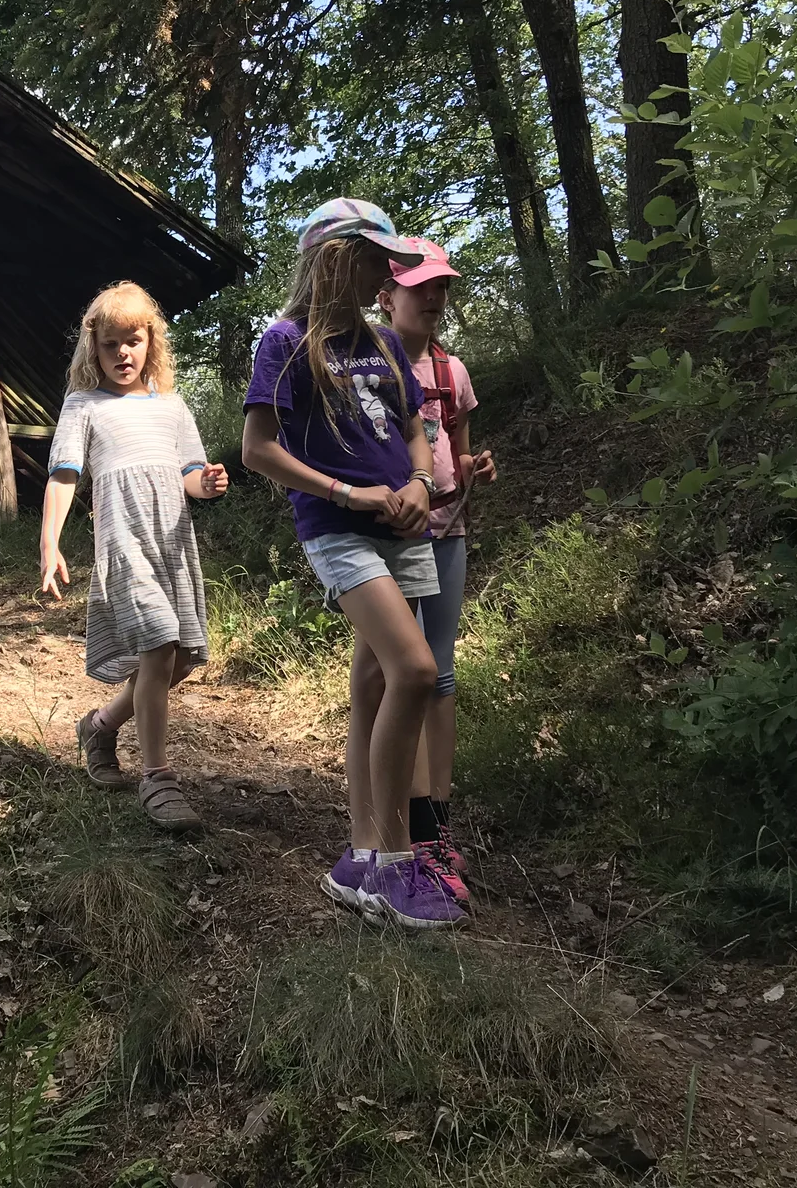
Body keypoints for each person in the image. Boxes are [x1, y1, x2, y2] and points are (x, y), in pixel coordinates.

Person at [240, 198, 461, 929]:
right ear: (336, 259)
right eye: (375, 262)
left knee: (374, 679)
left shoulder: (385, 343)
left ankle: (362, 855)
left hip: (404, 526)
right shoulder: (285, 341)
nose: (383, 278)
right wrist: (345, 491)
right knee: (416, 671)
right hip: (338, 530)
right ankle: (396, 862)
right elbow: (258, 449)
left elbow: (416, 430)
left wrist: (419, 483)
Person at [41, 282, 229, 832]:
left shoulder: (172, 406)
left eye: (133, 341)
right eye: (110, 344)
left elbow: (189, 474)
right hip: (124, 544)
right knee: (160, 643)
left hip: (171, 544)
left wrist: (206, 484)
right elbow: (64, 476)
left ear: (151, 342)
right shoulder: (84, 405)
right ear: (93, 348)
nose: (122, 353)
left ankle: (99, 726)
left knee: (181, 658)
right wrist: (50, 543)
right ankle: (158, 777)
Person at [377, 238, 497, 903]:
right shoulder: (368, 366)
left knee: (440, 673)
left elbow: (459, 452)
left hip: (447, 532)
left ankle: (436, 824)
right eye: (419, 286)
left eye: (441, 286)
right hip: (390, 539)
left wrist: (475, 470)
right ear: (385, 296)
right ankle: (400, 821)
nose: (433, 297)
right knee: (402, 672)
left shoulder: (453, 372)